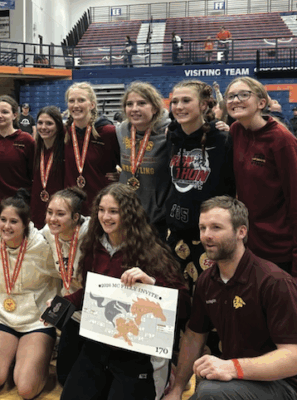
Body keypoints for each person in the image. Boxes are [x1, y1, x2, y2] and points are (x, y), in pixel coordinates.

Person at [60, 183, 189, 400]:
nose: (105, 217)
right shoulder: (93, 246)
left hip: (137, 352)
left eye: (113, 211)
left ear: (129, 214)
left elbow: (183, 305)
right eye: (101, 210)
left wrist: (152, 283)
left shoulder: (151, 252)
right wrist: (63, 304)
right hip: (100, 344)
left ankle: (165, 377)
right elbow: (90, 292)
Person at [164, 196, 297, 400]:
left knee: (209, 392)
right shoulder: (207, 281)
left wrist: (232, 367)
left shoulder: (274, 281)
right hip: (236, 380)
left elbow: (293, 357)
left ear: (241, 232)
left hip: (282, 384)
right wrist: (177, 389)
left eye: (216, 228)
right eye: (202, 228)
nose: (206, 235)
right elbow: (194, 336)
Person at [0, 190, 60, 399]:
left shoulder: (42, 247)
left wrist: (55, 317)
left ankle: (37, 355)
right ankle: (17, 357)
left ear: (26, 224)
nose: (6, 226)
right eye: (3, 220)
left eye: (14, 221)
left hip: (36, 322)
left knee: (26, 390)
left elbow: (66, 278)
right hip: (4, 319)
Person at [167, 80, 235, 290]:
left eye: (186, 100)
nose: (179, 106)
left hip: (209, 236)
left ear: (204, 105)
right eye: (175, 101)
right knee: (177, 296)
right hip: (176, 232)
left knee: (211, 297)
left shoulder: (223, 139)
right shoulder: (172, 137)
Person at [225, 77, 297, 276]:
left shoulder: (282, 140)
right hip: (248, 243)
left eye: (244, 95)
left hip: (279, 248)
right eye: (231, 96)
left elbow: (295, 199)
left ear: (261, 103)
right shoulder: (235, 130)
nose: (235, 100)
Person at [41, 187, 89, 386]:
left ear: (76, 217)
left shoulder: (91, 234)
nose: (52, 219)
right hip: (72, 310)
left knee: (87, 378)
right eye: (50, 212)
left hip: (94, 309)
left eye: (60, 214)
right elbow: (18, 233)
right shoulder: (48, 232)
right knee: (64, 378)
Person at [116, 81, 171, 239]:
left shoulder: (169, 131)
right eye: (129, 104)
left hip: (156, 218)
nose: (134, 109)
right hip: (126, 214)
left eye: (141, 103)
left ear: (154, 107)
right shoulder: (120, 131)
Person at [64, 82, 120, 215]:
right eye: (71, 101)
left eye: (81, 100)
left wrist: (122, 175)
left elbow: (129, 163)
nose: (76, 105)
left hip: (102, 207)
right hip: (72, 207)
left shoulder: (108, 132)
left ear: (92, 104)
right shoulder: (64, 133)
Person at [0, 95, 35, 233]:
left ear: (15, 115)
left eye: (5, 112)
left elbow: (33, 173)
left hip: (19, 205)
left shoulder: (26, 140)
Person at [30, 106, 65, 229]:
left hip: (59, 210)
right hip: (37, 208)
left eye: (49, 123)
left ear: (58, 126)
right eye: (40, 123)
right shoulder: (34, 149)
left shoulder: (66, 150)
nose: (43, 127)